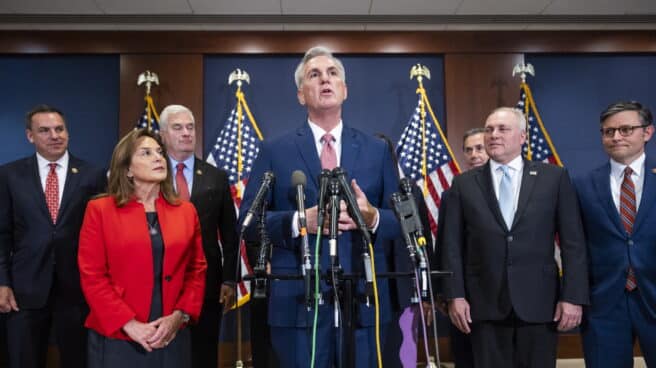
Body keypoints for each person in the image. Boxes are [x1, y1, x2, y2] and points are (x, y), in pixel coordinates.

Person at [239, 46, 400, 368]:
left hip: (363, 297)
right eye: (314, 75)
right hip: (298, 301)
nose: (324, 79)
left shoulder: (377, 150)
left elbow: (401, 222)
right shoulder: (275, 150)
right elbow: (247, 221)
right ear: (301, 95)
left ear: (344, 89)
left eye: (332, 74)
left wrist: (371, 217)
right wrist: (301, 221)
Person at [440, 107, 589, 368]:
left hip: (540, 304)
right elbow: (451, 246)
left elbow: (573, 243)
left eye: (502, 129)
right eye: (489, 129)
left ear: (522, 137)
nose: (493, 135)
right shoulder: (463, 184)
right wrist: (455, 295)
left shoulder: (553, 178)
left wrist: (573, 297)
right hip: (483, 305)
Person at [78, 128, 207, 367]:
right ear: (127, 169)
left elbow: (196, 270)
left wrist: (179, 316)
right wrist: (129, 324)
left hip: (171, 334)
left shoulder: (186, 211)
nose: (158, 157)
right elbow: (92, 276)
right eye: (146, 153)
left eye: (159, 152)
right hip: (118, 335)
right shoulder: (100, 210)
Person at [0, 105, 106, 368]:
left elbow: (103, 235)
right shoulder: (9, 175)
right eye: (44, 130)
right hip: (24, 290)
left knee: (78, 360)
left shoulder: (92, 174)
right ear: (30, 136)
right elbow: (1, 233)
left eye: (59, 129)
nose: (54, 135)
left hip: (77, 290)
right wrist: (2, 282)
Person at [575, 101, 656, 367]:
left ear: (647, 132)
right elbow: (575, 245)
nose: (616, 137)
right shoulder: (583, 184)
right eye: (608, 131)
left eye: (625, 129)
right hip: (604, 304)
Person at [159, 104, 238, 368]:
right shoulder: (151, 175)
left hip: (207, 282)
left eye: (190, 127)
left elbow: (230, 234)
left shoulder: (216, 176)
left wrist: (229, 279)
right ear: (162, 135)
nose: (186, 133)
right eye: (178, 127)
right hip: (160, 279)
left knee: (204, 352)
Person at [438, 127, 489, 368]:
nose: (474, 155)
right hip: (466, 292)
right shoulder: (452, 193)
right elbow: (447, 245)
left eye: (479, 148)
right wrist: (446, 293)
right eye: (468, 150)